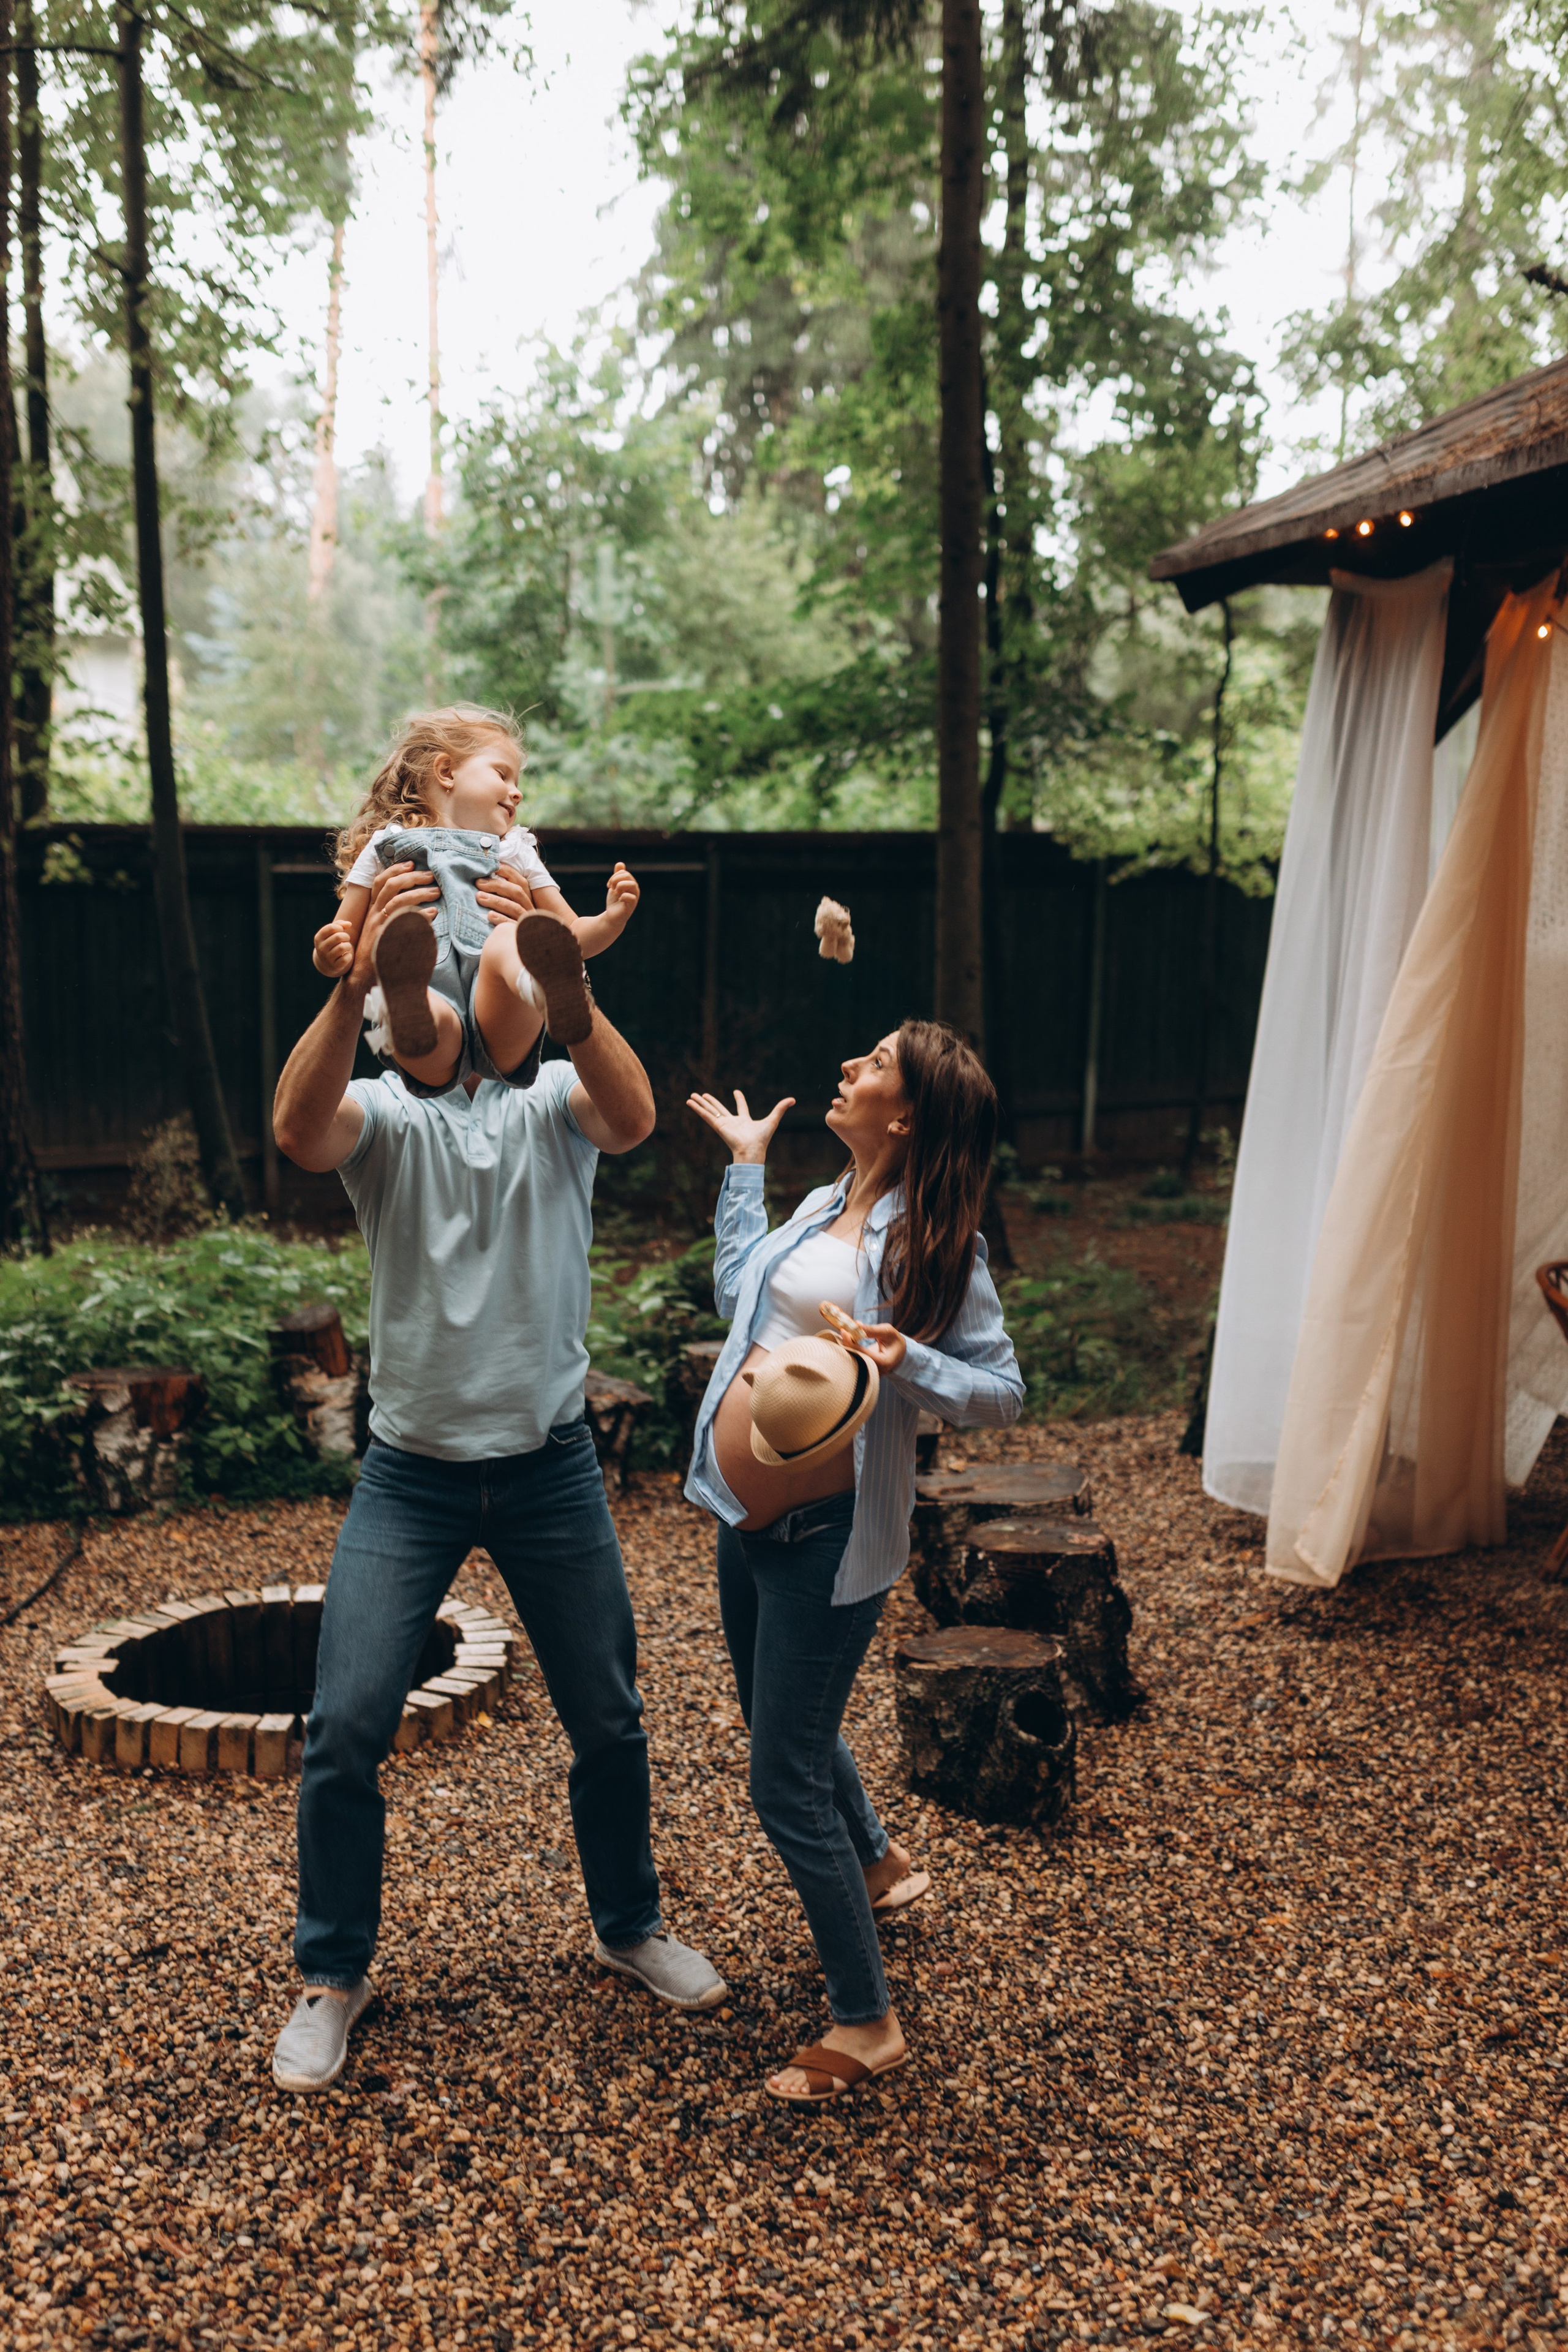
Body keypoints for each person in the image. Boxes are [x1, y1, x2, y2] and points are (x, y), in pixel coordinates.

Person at [268, 856, 723, 2095]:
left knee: (611, 1716)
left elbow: (632, 1116)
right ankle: (332, 1976)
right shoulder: (388, 1119)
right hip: (409, 1479)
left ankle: (628, 1927)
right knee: (346, 1725)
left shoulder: (551, 1105)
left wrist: (570, 993)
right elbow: (297, 1134)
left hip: (549, 1471)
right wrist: (351, 985)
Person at [685, 1022, 1025, 2106]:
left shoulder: (937, 1243)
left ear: (909, 1111)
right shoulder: (818, 1204)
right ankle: (877, 1862)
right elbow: (740, 1289)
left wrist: (908, 1358)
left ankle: (865, 2020)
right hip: (749, 1518)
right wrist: (745, 1171)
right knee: (778, 1718)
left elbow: (1004, 1389)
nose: (846, 1069)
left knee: (780, 1782)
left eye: (872, 1065)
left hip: (830, 1544)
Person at [312, 703, 641, 1091]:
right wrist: (327, 955)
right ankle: (407, 1001)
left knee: (510, 939)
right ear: (447, 772)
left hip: (501, 1021)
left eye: (518, 782)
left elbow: (573, 937)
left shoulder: (516, 851)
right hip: (425, 1036)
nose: (517, 793)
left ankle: (543, 989)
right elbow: (345, 939)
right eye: (503, 775)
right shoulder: (386, 846)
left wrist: (611, 919)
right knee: (419, 1008)